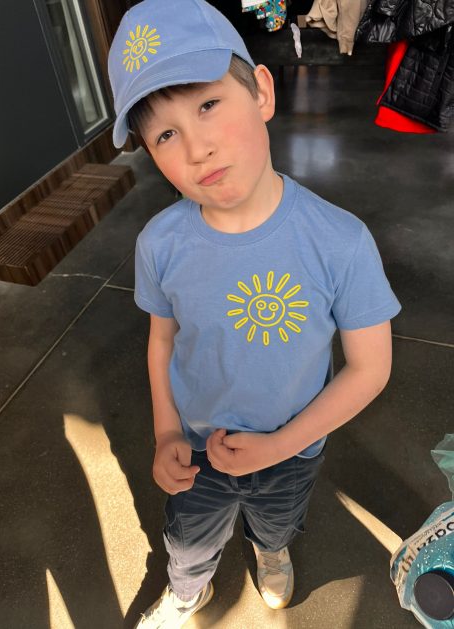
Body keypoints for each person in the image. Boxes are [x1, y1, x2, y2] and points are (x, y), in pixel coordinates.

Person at [108, 1, 402, 627]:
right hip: (196, 447)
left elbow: (370, 368)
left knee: (277, 520)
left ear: (262, 92)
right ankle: (188, 588)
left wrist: (279, 446)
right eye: (165, 135)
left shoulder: (340, 241)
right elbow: (162, 342)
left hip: (292, 449)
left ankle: (271, 551)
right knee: (189, 535)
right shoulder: (160, 243)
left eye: (208, 105)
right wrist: (166, 433)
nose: (197, 147)